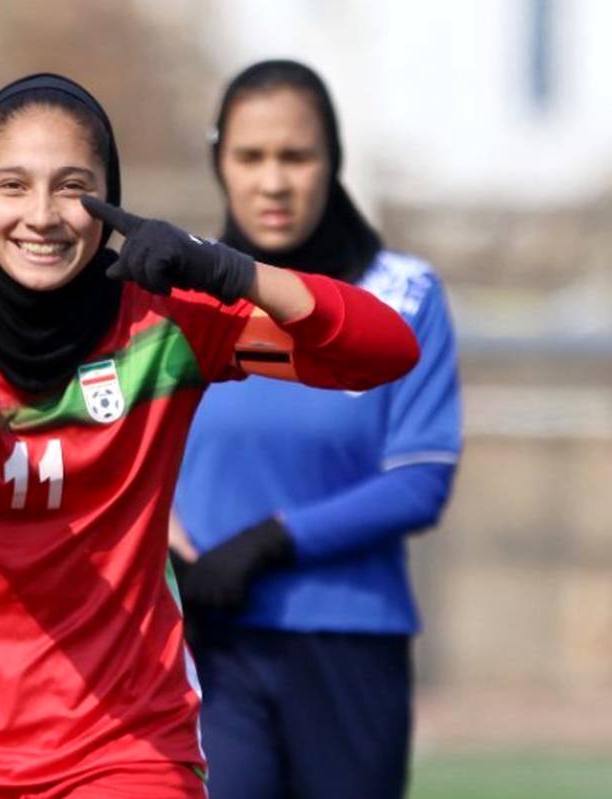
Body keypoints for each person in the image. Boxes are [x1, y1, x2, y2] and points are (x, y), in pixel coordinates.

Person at [0, 72, 419, 799]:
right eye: (13, 186)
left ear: (110, 194)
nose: (42, 215)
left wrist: (228, 268)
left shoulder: (168, 319)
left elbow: (383, 351)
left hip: (125, 744)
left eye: (72, 187)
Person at [170, 60, 462, 799]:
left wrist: (272, 540)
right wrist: (171, 548)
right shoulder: (175, 296)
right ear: (218, 161)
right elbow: (121, 448)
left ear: (332, 160)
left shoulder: (403, 295)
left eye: (295, 156)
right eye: (251, 156)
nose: (273, 181)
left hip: (349, 640)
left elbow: (420, 479)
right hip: (207, 642)